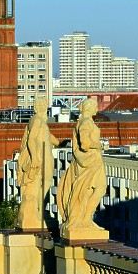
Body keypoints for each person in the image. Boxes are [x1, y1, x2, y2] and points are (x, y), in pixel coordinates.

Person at [57, 98, 106, 239]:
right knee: (94, 189)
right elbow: (84, 144)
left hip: (91, 161)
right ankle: (84, 219)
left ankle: (86, 219)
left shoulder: (84, 122)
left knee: (92, 190)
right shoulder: (85, 123)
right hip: (90, 161)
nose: (97, 108)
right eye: (95, 106)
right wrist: (98, 145)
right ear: (89, 107)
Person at [16, 98, 59, 230]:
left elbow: (51, 139)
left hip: (45, 156)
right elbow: (31, 140)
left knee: (45, 184)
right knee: (42, 184)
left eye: (44, 105)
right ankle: (39, 212)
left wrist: (57, 141)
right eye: (40, 105)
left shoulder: (39, 121)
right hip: (41, 158)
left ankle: (40, 211)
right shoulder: (37, 120)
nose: (43, 107)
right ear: (36, 107)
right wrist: (35, 158)